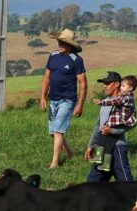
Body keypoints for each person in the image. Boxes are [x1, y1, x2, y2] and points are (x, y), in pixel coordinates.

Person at [39, 28, 87, 169]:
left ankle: (54, 164)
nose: (59, 44)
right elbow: (46, 78)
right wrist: (42, 97)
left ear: (70, 45)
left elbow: (83, 82)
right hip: (53, 99)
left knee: (58, 131)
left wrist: (80, 105)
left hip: (67, 100)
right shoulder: (53, 56)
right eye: (59, 41)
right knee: (53, 132)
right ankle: (70, 153)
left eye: (63, 43)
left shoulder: (76, 60)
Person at [84, 71, 134, 183]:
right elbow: (98, 126)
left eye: (107, 83)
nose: (104, 86)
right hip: (101, 146)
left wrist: (113, 130)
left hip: (117, 147)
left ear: (117, 84)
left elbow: (131, 123)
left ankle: (135, 199)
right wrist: (91, 145)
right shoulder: (105, 102)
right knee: (92, 182)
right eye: (104, 83)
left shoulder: (125, 101)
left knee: (126, 183)